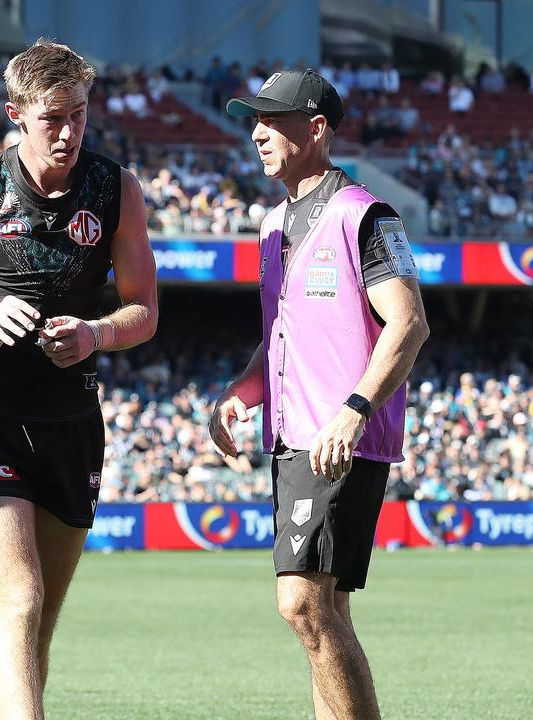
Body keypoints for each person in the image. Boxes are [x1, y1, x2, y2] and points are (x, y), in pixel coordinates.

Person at [0, 40, 158, 720]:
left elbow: (145, 311)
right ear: (16, 114)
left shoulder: (116, 189)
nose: (69, 132)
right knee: (15, 597)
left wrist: (95, 333)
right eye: (53, 118)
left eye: (79, 114)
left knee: (36, 620)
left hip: (73, 421)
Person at [216, 69, 429, 720]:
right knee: (326, 611)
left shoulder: (363, 214)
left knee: (302, 605)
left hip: (339, 438)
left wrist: (355, 410)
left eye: (272, 120)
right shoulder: (271, 224)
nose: (256, 132)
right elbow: (281, 335)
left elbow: (410, 321)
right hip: (293, 438)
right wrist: (243, 394)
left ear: (315, 130)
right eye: (252, 119)